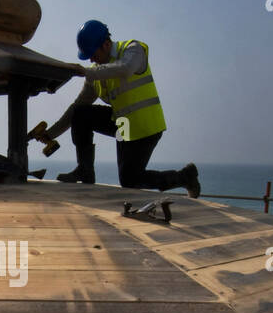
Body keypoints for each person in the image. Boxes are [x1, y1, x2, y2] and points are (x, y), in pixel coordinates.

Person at [32, 19, 199, 196]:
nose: (90, 59)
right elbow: (77, 108)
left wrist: (87, 72)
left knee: (130, 180)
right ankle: (84, 170)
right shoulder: (96, 72)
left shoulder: (133, 50)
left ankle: (184, 177)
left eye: (92, 53)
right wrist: (51, 134)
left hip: (146, 128)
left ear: (105, 44)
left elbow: (125, 69)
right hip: (124, 125)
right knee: (80, 113)